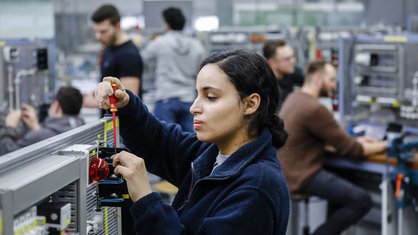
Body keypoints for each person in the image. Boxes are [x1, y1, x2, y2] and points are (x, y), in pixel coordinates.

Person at [95, 49, 290, 234]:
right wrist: (126, 104)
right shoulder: (212, 154)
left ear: (250, 104)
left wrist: (145, 199)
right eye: (197, 94)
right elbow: (159, 142)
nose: (194, 108)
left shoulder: (255, 188)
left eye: (211, 97)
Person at [278, 60, 388, 235]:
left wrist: (356, 141)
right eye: (331, 79)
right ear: (317, 80)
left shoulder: (295, 98)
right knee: (361, 200)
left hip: (286, 172)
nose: (334, 85)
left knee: (343, 177)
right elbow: (353, 150)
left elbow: (320, 137)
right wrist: (386, 144)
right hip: (301, 176)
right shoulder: (315, 108)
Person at [140, 7, 206, 132]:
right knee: (191, 143)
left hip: (165, 97)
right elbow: (202, 69)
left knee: (164, 141)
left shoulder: (160, 42)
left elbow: (140, 58)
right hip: (189, 99)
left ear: (167, 24)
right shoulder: (197, 45)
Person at [83, 4, 143, 111]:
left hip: (124, 125)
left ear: (117, 26)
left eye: (103, 31)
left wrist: (93, 101)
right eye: (96, 31)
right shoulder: (108, 48)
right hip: (109, 121)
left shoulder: (129, 55)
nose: (98, 36)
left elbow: (127, 99)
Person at [0, 86, 85, 156]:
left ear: (56, 105)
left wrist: (10, 127)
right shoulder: (80, 126)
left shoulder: (42, 135)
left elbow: (7, 153)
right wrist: (36, 127)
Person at [263, 39, 304, 109]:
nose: (293, 61)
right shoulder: (266, 88)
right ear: (273, 63)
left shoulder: (293, 74)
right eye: (287, 59)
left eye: (293, 56)